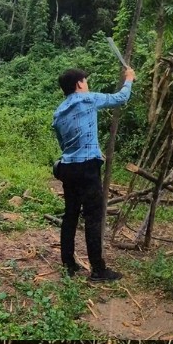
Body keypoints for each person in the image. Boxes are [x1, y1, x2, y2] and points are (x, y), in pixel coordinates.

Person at [52, 67, 135, 282]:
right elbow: (120, 98)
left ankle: (68, 264)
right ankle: (98, 270)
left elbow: (63, 146)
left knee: (70, 215)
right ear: (79, 84)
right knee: (93, 217)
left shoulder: (58, 113)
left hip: (68, 167)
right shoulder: (87, 99)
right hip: (88, 167)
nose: (86, 84)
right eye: (85, 80)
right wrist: (129, 79)